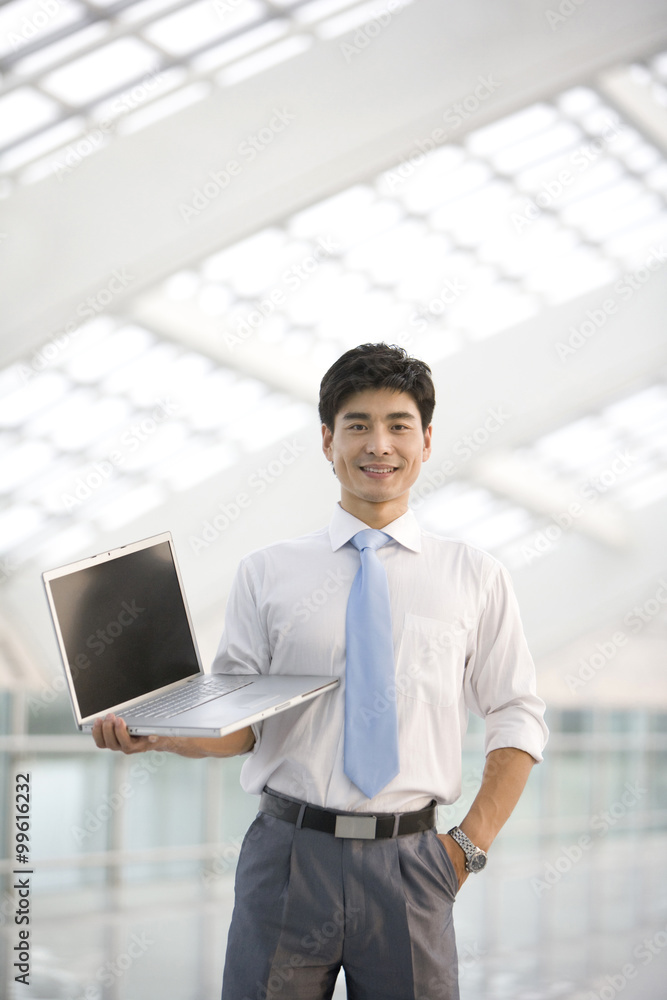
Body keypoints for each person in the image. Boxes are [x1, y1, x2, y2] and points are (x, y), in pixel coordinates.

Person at [93, 342, 548, 1000]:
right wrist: (158, 732)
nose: (379, 444)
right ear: (327, 440)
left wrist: (465, 849)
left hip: (414, 862)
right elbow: (239, 726)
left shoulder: (472, 575)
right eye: (357, 424)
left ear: (425, 441)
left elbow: (515, 712)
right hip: (286, 857)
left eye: (398, 425)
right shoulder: (268, 572)